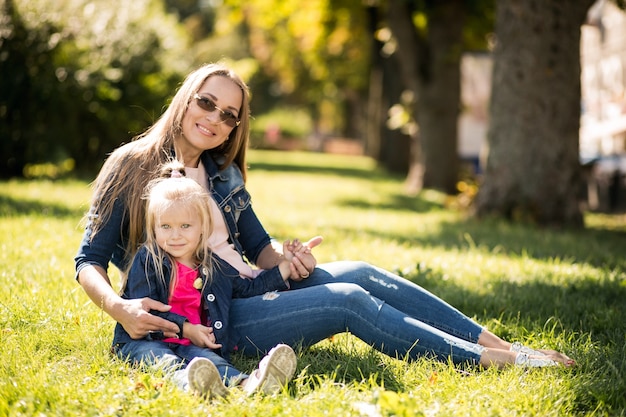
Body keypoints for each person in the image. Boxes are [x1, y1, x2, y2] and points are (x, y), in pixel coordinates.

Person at [75, 62, 574, 372]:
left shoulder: (222, 174)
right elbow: (88, 261)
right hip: (209, 314)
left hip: (249, 285)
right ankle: (497, 362)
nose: (216, 118)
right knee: (349, 300)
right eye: (207, 102)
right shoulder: (132, 165)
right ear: (185, 99)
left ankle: (499, 343)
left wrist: (286, 260)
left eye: (230, 115)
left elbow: (259, 248)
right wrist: (120, 308)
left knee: (363, 272)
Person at [113, 162, 298, 398]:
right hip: (145, 340)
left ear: (203, 227)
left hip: (194, 344)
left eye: (185, 226)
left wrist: (284, 268)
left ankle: (249, 384)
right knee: (163, 360)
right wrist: (186, 329)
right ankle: (192, 385)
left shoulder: (213, 265)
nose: (175, 235)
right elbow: (145, 312)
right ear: (154, 227)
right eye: (166, 226)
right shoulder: (149, 260)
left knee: (210, 361)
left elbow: (247, 288)